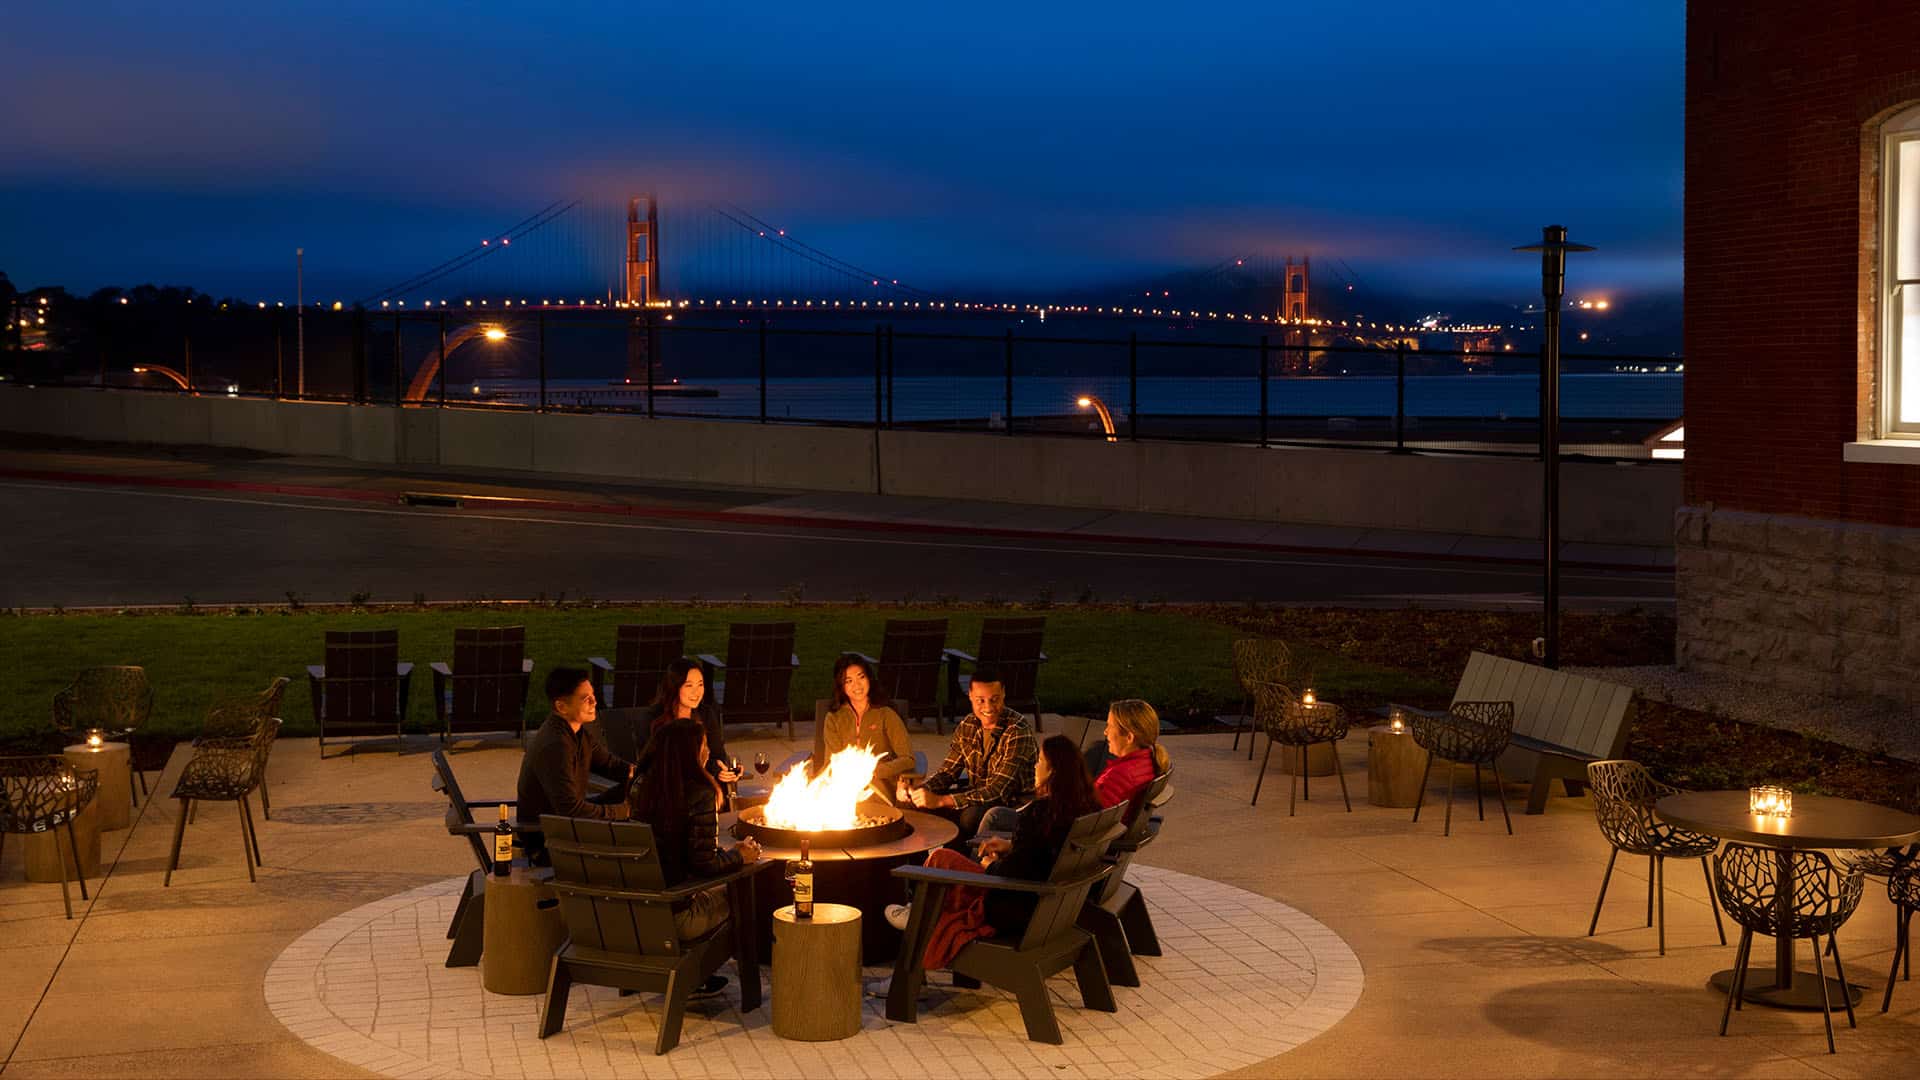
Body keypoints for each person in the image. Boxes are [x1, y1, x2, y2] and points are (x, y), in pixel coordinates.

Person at [884, 735, 1102, 967]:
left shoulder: (1040, 813)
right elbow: (1045, 851)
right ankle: (917, 912)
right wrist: (1010, 847)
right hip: (1054, 907)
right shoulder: (1085, 807)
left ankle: (918, 919)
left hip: (1014, 907)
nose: (1035, 766)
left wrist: (992, 865)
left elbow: (1015, 872)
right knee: (944, 860)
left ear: (1053, 772)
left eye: (1040, 761)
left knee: (940, 860)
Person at [631, 719, 762, 994]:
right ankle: (710, 975)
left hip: (635, 912)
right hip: (676, 917)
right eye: (703, 746)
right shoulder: (699, 793)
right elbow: (705, 866)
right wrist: (740, 856)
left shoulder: (641, 786)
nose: (707, 752)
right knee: (743, 893)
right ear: (690, 753)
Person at [516, 667, 638, 864]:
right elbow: (570, 809)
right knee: (636, 824)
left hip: (568, 824)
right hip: (549, 838)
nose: (594, 702)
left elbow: (611, 765)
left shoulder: (577, 733)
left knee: (633, 790)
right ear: (562, 706)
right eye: (585, 699)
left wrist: (644, 775)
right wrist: (623, 811)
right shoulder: (555, 744)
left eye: (593, 695)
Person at [902, 664, 1036, 843]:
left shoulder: (1017, 731)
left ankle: (959, 865)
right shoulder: (968, 726)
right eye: (980, 700)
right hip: (978, 797)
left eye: (994, 699)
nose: (988, 707)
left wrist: (942, 801)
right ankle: (921, 866)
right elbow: (948, 773)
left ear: (1004, 694)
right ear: (970, 697)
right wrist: (921, 791)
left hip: (1012, 805)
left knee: (969, 817)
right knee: (912, 807)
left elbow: (998, 791)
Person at [634, 658, 742, 792]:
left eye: (700, 685)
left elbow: (718, 754)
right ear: (675, 687)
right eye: (689, 685)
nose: (696, 692)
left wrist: (723, 770)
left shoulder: (705, 714)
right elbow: (652, 763)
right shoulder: (653, 718)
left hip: (699, 783)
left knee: (721, 786)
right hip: (664, 786)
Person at [819, 655, 914, 795]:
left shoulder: (885, 714)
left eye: (861, 677)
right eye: (849, 681)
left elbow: (908, 759)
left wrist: (875, 771)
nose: (856, 685)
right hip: (841, 787)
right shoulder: (834, 718)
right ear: (841, 686)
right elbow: (832, 762)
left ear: (869, 678)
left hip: (879, 786)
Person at [1091, 699, 1170, 814]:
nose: (1105, 732)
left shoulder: (1120, 775)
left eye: (1110, 726)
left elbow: (1094, 817)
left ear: (1129, 737)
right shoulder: (1149, 761)